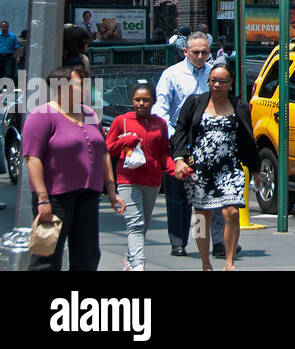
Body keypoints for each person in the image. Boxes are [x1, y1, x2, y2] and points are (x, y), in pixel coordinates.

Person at [22, 66, 125, 271]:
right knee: (47, 256)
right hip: (55, 197)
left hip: (88, 194)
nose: (86, 87)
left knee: (87, 255)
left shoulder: (89, 113)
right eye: (80, 83)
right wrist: (43, 198)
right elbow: (32, 158)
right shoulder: (42, 115)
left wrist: (112, 191)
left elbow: (103, 152)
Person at [170, 63, 262, 271]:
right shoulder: (195, 102)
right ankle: (205, 263)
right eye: (213, 81)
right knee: (202, 217)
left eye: (222, 81)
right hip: (201, 170)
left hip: (230, 168)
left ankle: (229, 262)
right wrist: (179, 159)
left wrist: (256, 170)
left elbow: (248, 139)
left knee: (232, 212)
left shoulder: (239, 107)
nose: (217, 85)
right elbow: (181, 131)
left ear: (230, 84)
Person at [106, 81, 189, 270]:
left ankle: (130, 258)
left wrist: (176, 170)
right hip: (128, 180)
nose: (141, 104)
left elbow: (163, 154)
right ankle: (138, 264)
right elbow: (108, 149)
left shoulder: (160, 123)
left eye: (145, 100)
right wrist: (126, 141)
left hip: (152, 181)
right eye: (137, 100)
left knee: (142, 224)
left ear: (153, 101)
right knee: (135, 223)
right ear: (132, 100)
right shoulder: (121, 121)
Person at [155, 31, 218, 257]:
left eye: (205, 52)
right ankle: (178, 242)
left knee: (206, 197)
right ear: (185, 52)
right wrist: (174, 138)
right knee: (177, 197)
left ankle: (211, 242)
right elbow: (160, 110)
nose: (200, 56)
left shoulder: (214, 73)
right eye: (196, 52)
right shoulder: (171, 75)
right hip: (178, 140)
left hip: (208, 141)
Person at [0, 20, 18, 84]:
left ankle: (5, 86)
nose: (5, 28)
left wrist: (17, 57)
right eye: (3, 26)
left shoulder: (13, 36)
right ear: (1, 27)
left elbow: (16, 47)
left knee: (8, 72)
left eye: (6, 27)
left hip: (9, 56)